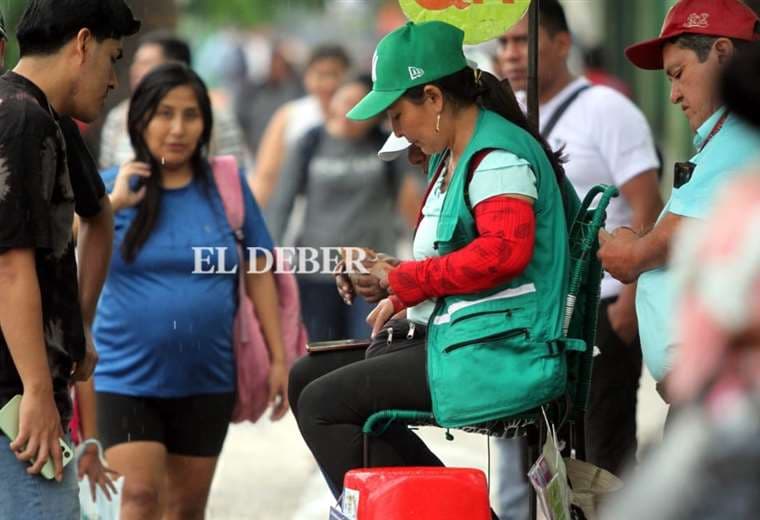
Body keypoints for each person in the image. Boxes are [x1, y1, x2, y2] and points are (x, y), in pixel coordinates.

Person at [288, 22, 575, 515]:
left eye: (397, 114)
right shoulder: (458, 153)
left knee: (323, 404)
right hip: (471, 339)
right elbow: (461, 261)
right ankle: (419, 506)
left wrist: (401, 280)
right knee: (305, 377)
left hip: (504, 352)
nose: (395, 131)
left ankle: (422, 510)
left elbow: (502, 253)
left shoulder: (496, 156)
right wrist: (396, 286)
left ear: (435, 98)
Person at [92, 63, 288, 520]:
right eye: (164, 114)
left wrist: (279, 358)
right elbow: (67, 260)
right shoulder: (109, 188)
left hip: (207, 377)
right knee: (137, 500)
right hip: (123, 376)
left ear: (205, 124)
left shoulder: (226, 185)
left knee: (186, 510)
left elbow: (259, 267)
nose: (177, 129)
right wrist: (111, 206)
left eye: (190, 115)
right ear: (139, 119)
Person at [495, 2, 664, 514]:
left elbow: (648, 210)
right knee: (532, 465)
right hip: (532, 320)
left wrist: (629, 305)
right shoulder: (507, 119)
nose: (510, 54)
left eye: (523, 41)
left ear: (563, 44)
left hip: (601, 313)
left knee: (603, 460)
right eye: (503, 44)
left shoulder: (608, 110)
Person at [0, 1, 139, 517]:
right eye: (112, 57)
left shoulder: (48, 115)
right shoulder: (19, 118)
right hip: (13, 398)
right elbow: (9, 264)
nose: (113, 80)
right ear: (82, 43)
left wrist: (78, 326)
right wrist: (36, 388)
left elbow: (99, 215)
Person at [598, 0, 760, 400]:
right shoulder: (726, 138)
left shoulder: (739, 135)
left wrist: (628, 250)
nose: (673, 95)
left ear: (722, 54)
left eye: (679, 74)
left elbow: (665, 243)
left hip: (722, 391)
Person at [268, 75, 413, 341]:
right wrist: (270, 259)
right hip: (317, 265)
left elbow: (410, 199)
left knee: (366, 346)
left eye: (361, 107)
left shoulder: (387, 147)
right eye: (346, 100)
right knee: (322, 348)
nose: (351, 112)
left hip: (371, 271)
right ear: (334, 101)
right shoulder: (310, 142)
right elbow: (282, 202)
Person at [99, 31, 247, 170]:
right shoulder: (118, 117)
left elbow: (234, 177)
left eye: (146, 63)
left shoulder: (218, 121)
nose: (177, 130)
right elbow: (105, 177)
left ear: (176, 69)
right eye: (136, 63)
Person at [250, 44, 350, 207]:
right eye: (320, 75)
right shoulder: (290, 116)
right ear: (307, 77)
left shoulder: (361, 119)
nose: (328, 83)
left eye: (334, 74)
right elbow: (265, 176)